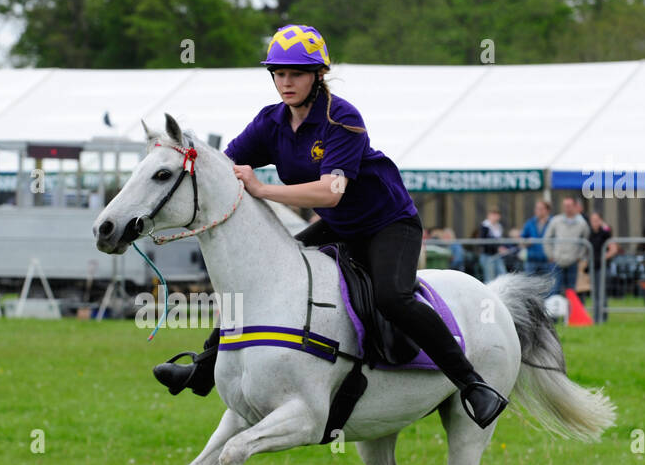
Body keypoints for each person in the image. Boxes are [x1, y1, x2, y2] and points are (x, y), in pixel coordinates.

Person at [152, 24, 508, 428]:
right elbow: (225, 169)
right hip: (339, 226)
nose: (286, 82)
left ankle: (473, 385)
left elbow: (331, 192)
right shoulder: (270, 122)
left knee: (393, 298)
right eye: (279, 74)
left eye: (296, 74)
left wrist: (263, 190)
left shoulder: (342, 116)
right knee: (264, 279)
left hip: (388, 225)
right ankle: (203, 368)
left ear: (318, 75)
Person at [543, 196, 590, 296]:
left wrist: (579, 256)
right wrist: (550, 255)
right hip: (557, 261)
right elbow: (547, 238)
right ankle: (555, 311)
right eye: (565, 206)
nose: (567, 208)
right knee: (554, 290)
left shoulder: (582, 223)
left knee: (571, 291)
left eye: (569, 206)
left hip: (572, 261)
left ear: (574, 206)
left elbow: (585, 241)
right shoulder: (556, 221)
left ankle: (571, 311)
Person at [476, 207, 512, 282]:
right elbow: (483, 243)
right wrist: (497, 248)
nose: (495, 217)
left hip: (497, 256)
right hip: (487, 256)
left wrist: (503, 248)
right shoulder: (484, 226)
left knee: (503, 275)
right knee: (490, 278)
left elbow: (501, 240)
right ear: (489, 215)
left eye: (496, 215)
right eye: (493, 214)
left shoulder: (499, 227)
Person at [520, 200, 552, 276]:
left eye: (541, 209)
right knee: (530, 286)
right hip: (531, 261)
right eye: (537, 208)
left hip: (547, 261)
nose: (538, 211)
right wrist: (527, 242)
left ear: (547, 210)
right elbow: (522, 240)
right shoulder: (530, 222)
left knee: (547, 285)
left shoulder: (553, 222)